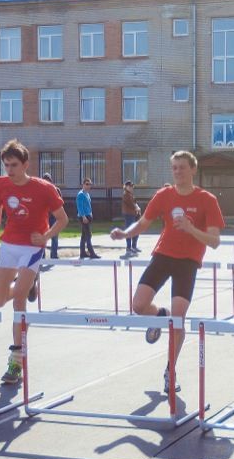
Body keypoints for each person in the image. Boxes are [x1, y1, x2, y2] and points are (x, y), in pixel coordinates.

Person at [111, 150, 224, 393]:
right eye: (174, 167)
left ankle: (170, 371)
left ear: (193, 169)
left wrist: (191, 229)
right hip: (163, 256)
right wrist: (124, 234)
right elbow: (143, 223)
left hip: (188, 262)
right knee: (138, 305)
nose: (178, 171)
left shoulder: (207, 200)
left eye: (182, 167)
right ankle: (161, 314)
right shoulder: (164, 195)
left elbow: (214, 241)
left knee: (178, 320)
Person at [0, 140, 68, 385]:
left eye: (14, 165)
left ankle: (16, 361)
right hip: (9, 245)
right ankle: (28, 285)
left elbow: (63, 219)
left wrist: (46, 236)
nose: (10, 170)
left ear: (25, 164)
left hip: (32, 246)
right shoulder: (2, 184)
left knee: (19, 300)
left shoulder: (44, 188)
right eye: (6, 165)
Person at [76, 178, 99, 259]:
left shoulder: (87, 194)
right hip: (83, 217)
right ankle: (91, 253)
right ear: (83, 184)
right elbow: (80, 207)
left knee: (84, 235)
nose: (88, 186)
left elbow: (88, 206)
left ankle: (82, 253)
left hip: (88, 216)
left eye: (89, 184)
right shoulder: (81, 194)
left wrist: (90, 214)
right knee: (89, 235)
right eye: (87, 184)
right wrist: (83, 217)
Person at [40, 173, 61, 260]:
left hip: (54, 216)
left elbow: (60, 203)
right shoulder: (40, 191)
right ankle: (42, 256)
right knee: (43, 236)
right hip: (44, 217)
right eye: (45, 180)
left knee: (54, 236)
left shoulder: (56, 190)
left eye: (48, 180)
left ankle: (54, 255)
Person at [120, 181, 141, 257]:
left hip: (133, 214)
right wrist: (137, 208)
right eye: (130, 186)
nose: (131, 187)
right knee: (129, 230)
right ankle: (129, 247)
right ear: (126, 187)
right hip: (129, 215)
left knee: (136, 230)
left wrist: (137, 207)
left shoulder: (130, 194)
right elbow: (131, 204)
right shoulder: (126, 194)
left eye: (132, 186)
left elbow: (134, 203)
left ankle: (133, 246)